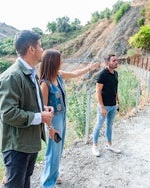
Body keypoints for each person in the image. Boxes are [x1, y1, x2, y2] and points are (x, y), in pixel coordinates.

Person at [0, 30, 54, 188]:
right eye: (40, 46)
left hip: (28, 142)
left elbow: (28, 102)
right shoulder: (11, 77)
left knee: (25, 182)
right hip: (17, 146)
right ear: (32, 49)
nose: (43, 50)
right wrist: (39, 117)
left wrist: (43, 108)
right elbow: (8, 113)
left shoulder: (30, 74)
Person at [38, 49, 100, 188]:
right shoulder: (44, 84)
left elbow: (75, 73)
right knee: (53, 152)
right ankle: (47, 183)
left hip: (62, 117)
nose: (62, 62)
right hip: (53, 121)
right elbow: (44, 109)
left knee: (58, 150)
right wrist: (50, 128)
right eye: (60, 59)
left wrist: (89, 68)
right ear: (53, 62)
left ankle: (54, 175)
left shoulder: (58, 75)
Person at [91, 54, 121, 157]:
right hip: (104, 106)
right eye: (113, 61)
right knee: (98, 125)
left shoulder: (116, 74)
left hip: (113, 105)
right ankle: (94, 146)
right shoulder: (102, 74)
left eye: (116, 60)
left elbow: (115, 89)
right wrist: (102, 107)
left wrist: (117, 101)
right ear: (107, 63)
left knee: (109, 125)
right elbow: (98, 91)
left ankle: (109, 145)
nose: (116, 62)